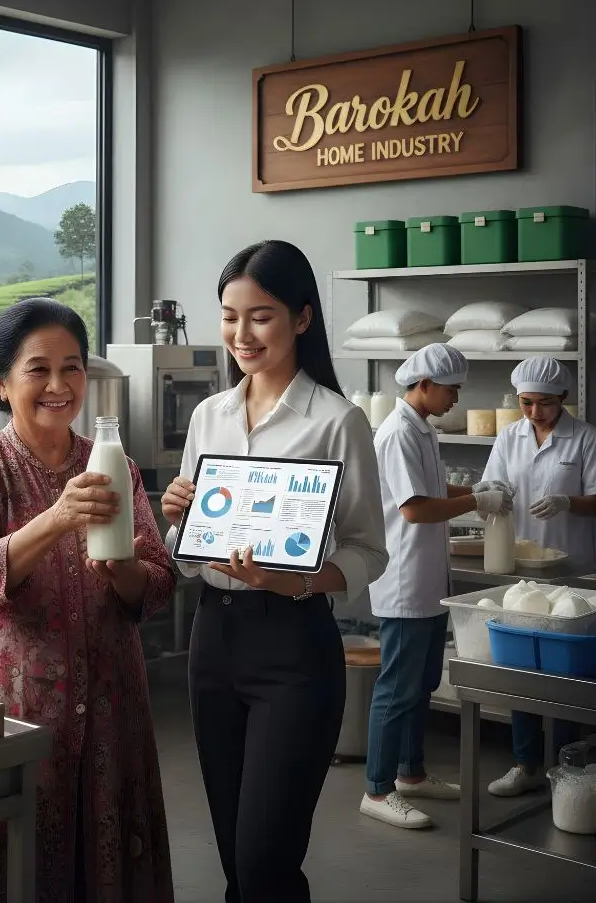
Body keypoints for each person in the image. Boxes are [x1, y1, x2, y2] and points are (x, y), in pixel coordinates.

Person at [0, 297, 176, 903]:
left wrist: (123, 572)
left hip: (110, 707)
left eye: (72, 367)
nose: (59, 385)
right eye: (38, 369)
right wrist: (56, 518)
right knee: (13, 860)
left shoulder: (114, 466)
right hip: (10, 707)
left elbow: (160, 580)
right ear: (2, 383)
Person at [161, 240, 387, 903]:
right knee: (236, 858)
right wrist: (179, 515)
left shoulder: (337, 422)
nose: (241, 333)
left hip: (293, 647)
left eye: (260, 316)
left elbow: (370, 549)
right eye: (230, 316)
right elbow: (190, 546)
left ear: (302, 319)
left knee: (266, 862)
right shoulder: (210, 415)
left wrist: (303, 580)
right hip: (214, 641)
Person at [360, 344, 513, 829]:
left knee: (423, 682)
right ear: (424, 384)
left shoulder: (422, 428)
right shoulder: (399, 432)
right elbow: (414, 508)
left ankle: (411, 773)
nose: (456, 398)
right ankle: (377, 790)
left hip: (427, 578)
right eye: (452, 389)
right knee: (397, 688)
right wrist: (477, 502)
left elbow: (432, 489)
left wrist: (475, 494)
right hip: (405, 579)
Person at [475, 356, 596, 797]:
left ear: (563, 398)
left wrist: (568, 501)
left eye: (544, 403)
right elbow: (491, 487)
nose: (534, 413)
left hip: (574, 571)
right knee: (522, 667)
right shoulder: (510, 436)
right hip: (523, 571)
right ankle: (526, 763)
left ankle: (567, 767)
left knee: (567, 673)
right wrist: (496, 497)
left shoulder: (584, 438)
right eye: (526, 403)